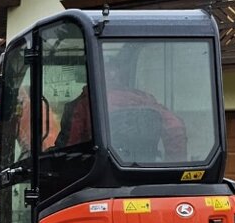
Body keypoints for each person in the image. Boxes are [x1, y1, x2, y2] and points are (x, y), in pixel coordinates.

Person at [55, 61, 187, 161]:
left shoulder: (84, 104)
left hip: (97, 176)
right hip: (146, 173)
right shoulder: (145, 100)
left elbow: (71, 147)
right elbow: (175, 128)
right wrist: (173, 166)